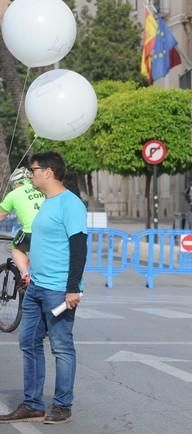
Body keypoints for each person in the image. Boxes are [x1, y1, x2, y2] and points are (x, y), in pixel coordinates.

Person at [0, 152, 87, 425]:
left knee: (61, 347)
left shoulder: (70, 204)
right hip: (36, 285)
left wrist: (73, 288)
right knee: (28, 343)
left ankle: (62, 405)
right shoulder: (47, 202)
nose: (30, 174)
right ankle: (32, 404)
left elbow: (79, 247)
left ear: (48, 172)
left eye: (33, 170)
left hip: (58, 289)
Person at [0, 167, 45, 284]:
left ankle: (25, 275)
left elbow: (1, 215)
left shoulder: (13, 194)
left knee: (16, 247)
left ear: (17, 182)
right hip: (51, 231)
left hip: (31, 231)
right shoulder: (42, 188)